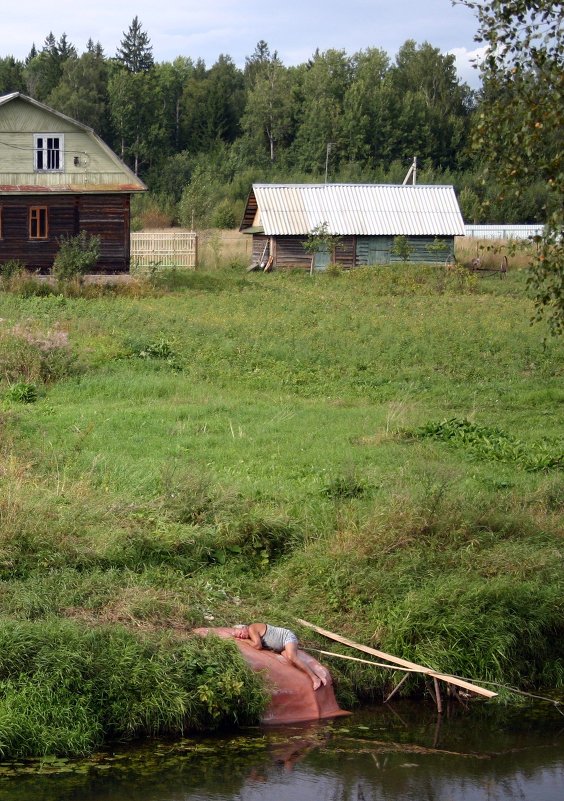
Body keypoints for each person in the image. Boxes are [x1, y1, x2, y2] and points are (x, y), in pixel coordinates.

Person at [233, 623, 327, 691]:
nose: (242, 636)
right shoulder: (251, 636)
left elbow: (258, 646)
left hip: (286, 637)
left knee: (291, 657)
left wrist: (244, 641)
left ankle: (315, 678)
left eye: (241, 633)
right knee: (289, 659)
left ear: (244, 627)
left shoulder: (251, 628)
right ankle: (317, 674)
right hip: (282, 648)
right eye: (240, 637)